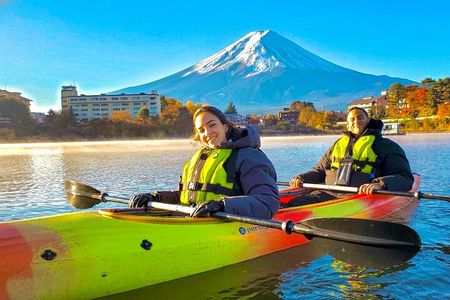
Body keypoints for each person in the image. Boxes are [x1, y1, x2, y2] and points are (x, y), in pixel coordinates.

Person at [128, 105, 279, 219]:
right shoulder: (200, 158)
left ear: (225, 127)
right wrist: (155, 197)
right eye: (201, 130)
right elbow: (185, 195)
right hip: (194, 219)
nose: (207, 133)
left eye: (212, 125)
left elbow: (267, 201)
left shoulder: (249, 157)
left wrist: (222, 205)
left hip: (227, 223)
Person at [284, 107, 414, 207]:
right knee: (291, 204)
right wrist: (302, 178)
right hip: (328, 193)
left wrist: (380, 185)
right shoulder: (338, 145)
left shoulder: (385, 145)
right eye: (352, 119)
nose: (356, 121)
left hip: (361, 197)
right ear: (347, 125)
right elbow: (320, 170)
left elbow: (405, 177)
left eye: (360, 117)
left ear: (368, 121)